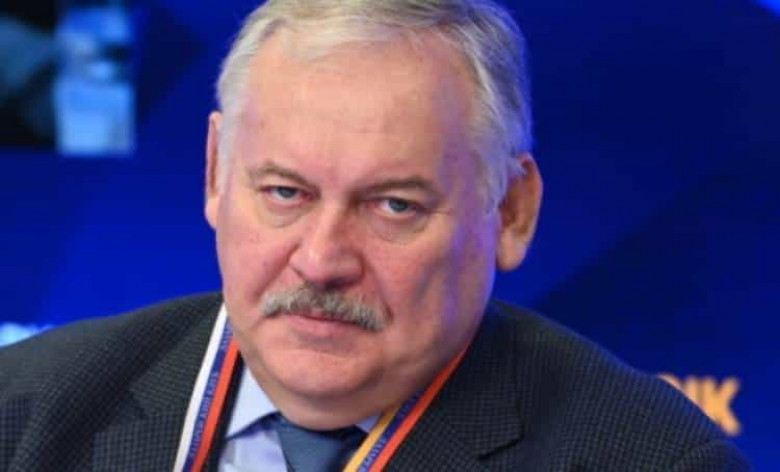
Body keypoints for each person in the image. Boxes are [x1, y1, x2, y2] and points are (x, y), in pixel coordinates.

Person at [0, 0, 751, 471]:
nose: (321, 260)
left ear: (512, 211)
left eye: (393, 206)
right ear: (216, 173)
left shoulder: (653, 460)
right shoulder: (22, 411)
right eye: (285, 193)